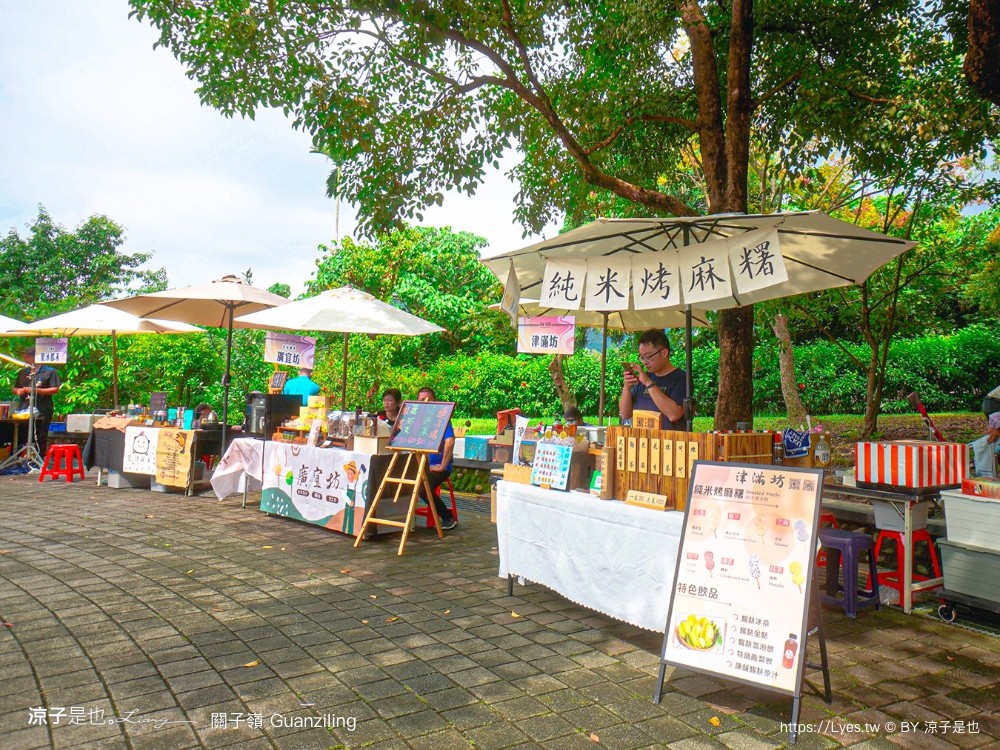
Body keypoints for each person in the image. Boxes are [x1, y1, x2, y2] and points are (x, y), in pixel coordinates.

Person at [619, 329, 687, 429]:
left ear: (664, 353)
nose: (645, 362)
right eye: (642, 357)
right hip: (641, 442)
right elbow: (625, 414)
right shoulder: (644, 377)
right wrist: (627, 388)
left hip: (668, 442)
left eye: (648, 356)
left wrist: (648, 383)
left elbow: (674, 414)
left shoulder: (682, 378)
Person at [416, 386, 457, 530]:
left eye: (429, 400)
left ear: (436, 402)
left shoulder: (442, 420)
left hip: (437, 467)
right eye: (422, 400)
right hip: (418, 465)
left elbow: (450, 441)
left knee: (422, 488)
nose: (426, 403)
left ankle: (447, 516)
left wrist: (443, 465)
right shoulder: (416, 420)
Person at [12, 347, 62, 459]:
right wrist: (18, 391)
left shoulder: (50, 371)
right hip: (24, 408)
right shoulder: (22, 372)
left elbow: (55, 389)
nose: (25, 358)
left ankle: (39, 459)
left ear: (36, 357)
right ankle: (20, 458)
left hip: (42, 408)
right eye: (24, 356)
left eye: (28, 356)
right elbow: (15, 388)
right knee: (22, 434)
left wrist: (36, 390)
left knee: (40, 435)